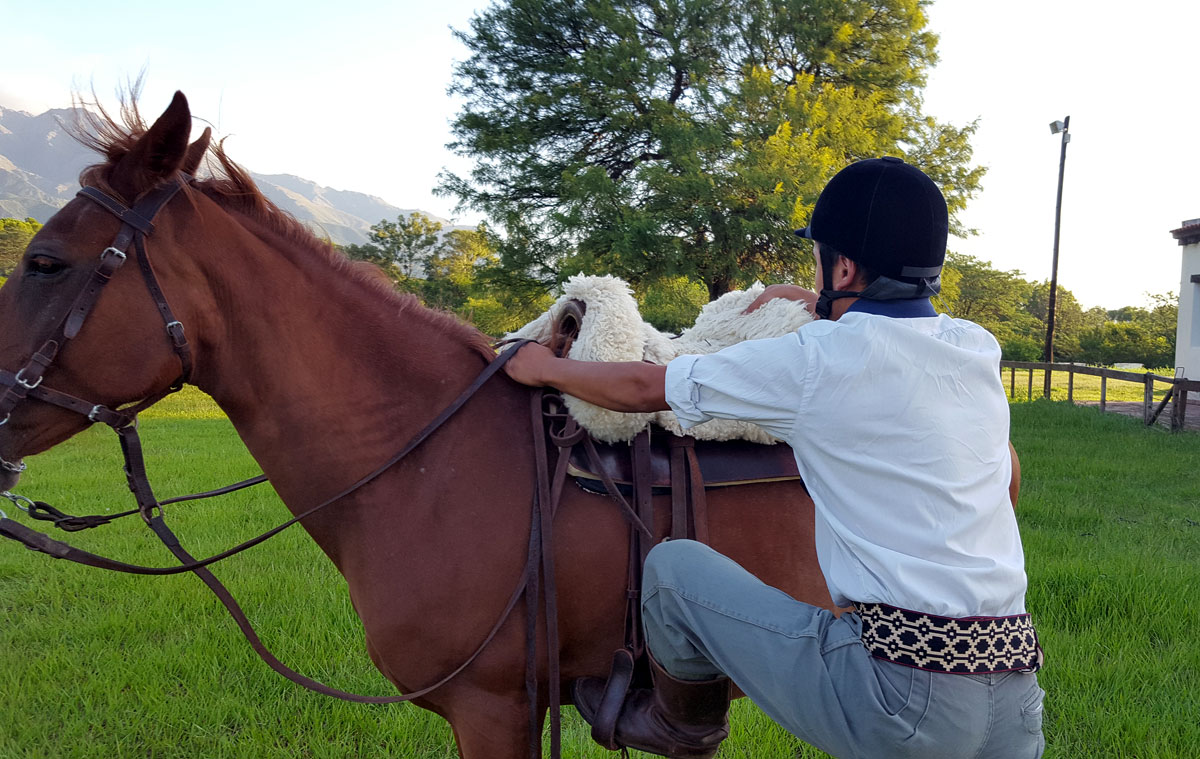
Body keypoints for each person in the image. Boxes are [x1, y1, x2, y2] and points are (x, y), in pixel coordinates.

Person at [503, 157, 1045, 759]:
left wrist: (541, 366)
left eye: (819, 257)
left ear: (843, 265)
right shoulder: (974, 346)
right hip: (1015, 694)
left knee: (674, 570)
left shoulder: (818, 362)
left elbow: (642, 388)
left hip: (901, 697)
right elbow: (887, 342)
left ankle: (681, 726)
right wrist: (816, 302)